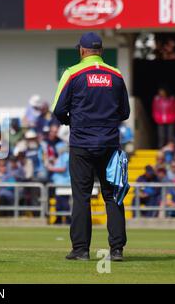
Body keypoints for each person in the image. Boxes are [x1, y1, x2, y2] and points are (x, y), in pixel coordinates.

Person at [52, 32, 130, 261]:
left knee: (82, 197)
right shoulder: (116, 75)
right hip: (109, 144)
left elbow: (58, 109)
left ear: (82, 51)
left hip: (82, 145)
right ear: (101, 51)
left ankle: (81, 250)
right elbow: (125, 112)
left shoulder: (72, 73)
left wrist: (72, 121)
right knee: (113, 197)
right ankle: (116, 250)